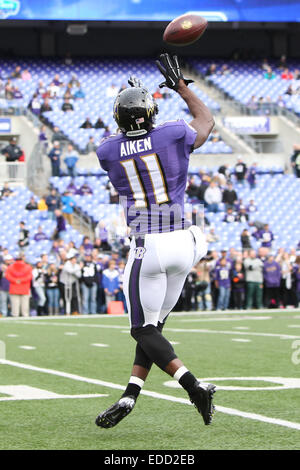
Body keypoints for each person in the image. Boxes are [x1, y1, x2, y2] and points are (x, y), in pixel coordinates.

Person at [94, 54, 216, 429]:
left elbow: (121, 139)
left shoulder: (107, 151)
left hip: (150, 244)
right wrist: (180, 88)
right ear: (152, 113)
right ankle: (130, 394)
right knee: (153, 327)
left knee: (142, 329)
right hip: (185, 239)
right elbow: (206, 121)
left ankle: (195, 386)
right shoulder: (173, 133)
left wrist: (131, 102)